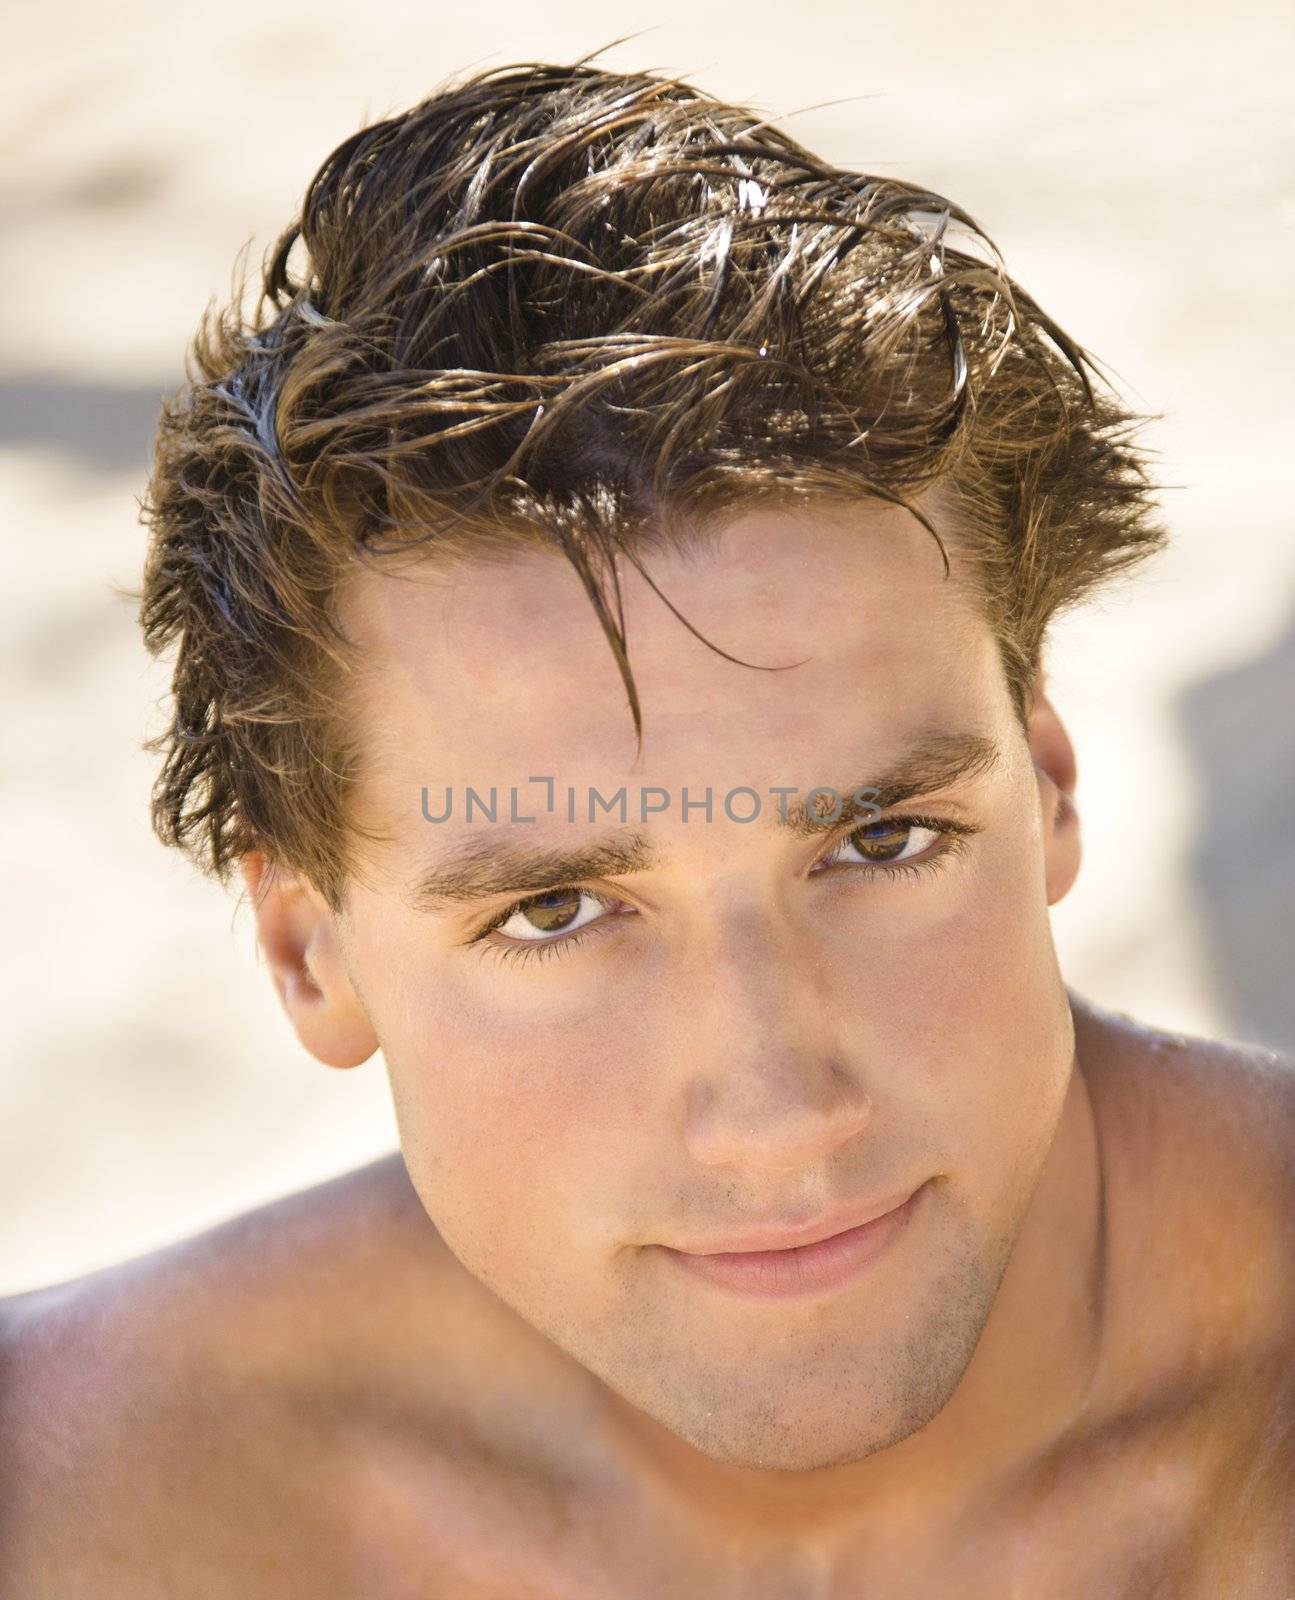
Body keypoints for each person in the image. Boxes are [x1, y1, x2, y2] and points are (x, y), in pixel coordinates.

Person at [3, 50, 1293, 1598]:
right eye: (554, 911)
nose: (776, 1109)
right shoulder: (75, 1514)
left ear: (1051, 790)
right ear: (306, 954)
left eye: (880, 843)